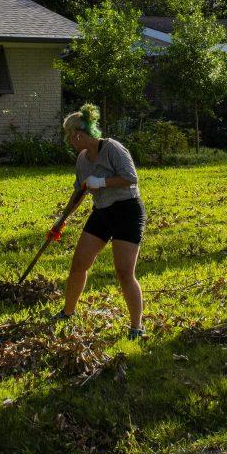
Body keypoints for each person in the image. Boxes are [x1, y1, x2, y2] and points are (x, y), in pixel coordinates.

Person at [52, 104, 147, 339]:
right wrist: (61, 220)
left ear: (79, 135)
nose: (69, 141)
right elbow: (79, 193)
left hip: (127, 211)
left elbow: (130, 177)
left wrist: (102, 182)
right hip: (102, 213)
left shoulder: (112, 148)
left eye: (69, 136)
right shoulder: (83, 159)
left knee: (124, 272)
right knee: (79, 264)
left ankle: (136, 327)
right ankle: (67, 312)